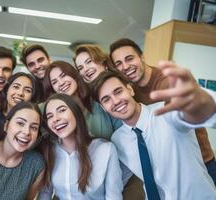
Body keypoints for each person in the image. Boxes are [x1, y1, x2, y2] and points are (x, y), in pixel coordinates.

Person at [91, 62, 216, 199]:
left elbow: (198, 114)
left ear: (130, 90)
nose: (115, 101)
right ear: (103, 108)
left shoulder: (167, 112)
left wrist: (204, 103)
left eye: (118, 91)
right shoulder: (118, 140)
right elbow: (116, 180)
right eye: (106, 99)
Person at [109, 38, 216, 184]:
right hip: (168, 167)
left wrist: (203, 103)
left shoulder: (167, 83)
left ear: (142, 57)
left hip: (200, 161)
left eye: (129, 59)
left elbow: (191, 108)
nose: (125, 66)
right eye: (119, 64)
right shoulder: (131, 89)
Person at [74, 44, 144, 199]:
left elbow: (131, 149)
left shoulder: (122, 97)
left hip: (130, 178)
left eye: (89, 61)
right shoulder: (90, 101)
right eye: (80, 67)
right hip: (103, 180)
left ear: (104, 62)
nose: (85, 68)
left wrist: (111, 188)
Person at [38, 93, 123, 199]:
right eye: (50, 116)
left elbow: (114, 197)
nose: (55, 119)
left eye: (62, 110)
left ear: (76, 113)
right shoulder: (49, 150)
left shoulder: (106, 150)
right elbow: (45, 194)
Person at [43, 60, 121, 139]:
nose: (61, 83)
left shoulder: (99, 100)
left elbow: (122, 129)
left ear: (73, 75)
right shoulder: (59, 118)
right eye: (54, 82)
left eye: (63, 75)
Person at [0, 72, 38, 142]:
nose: (20, 93)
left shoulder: (33, 124)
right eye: (16, 87)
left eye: (27, 90)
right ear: (7, 90)